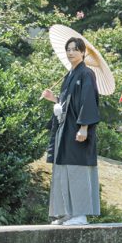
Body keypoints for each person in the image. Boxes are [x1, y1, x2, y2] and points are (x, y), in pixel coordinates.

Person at [41, 37, 102, 225]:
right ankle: (67, 212)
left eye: (75, 49)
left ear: (83, 52)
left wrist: (84, 127)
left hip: (78, 131)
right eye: (68, 49)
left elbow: (88, 101)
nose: (71, 53)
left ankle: (80, 214)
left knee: (77, 170)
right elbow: (68, 103)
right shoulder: (69, 75)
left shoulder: (87, 74)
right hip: (65, 130)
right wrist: (55, 99)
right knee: (63, 170)